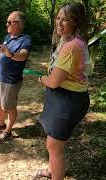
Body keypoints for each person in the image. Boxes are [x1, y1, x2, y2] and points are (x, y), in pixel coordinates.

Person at [33, 2, 90, 180]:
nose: (59, 23)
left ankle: (55, 175)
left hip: (68, 101)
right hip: (63, 98)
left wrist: (41, 78)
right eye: (58, 18)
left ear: (76, 22)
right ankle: (51, 171)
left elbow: (54, 82)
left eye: (65, 20)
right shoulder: (67, 40)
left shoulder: (72, 46)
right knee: (52, 142)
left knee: (54, 146)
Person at [0, 11, 32, 143]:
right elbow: (1, 53)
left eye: (9, 22)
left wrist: (11, 54)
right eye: (7, 21)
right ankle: (1, 124)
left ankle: (8, 132)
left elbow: (23, 55)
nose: (6, 24)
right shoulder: (7, 37)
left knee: (9, 107)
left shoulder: (25, 39)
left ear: (18, 24)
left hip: (11, 81)